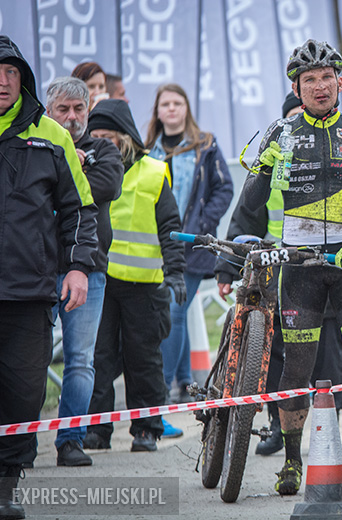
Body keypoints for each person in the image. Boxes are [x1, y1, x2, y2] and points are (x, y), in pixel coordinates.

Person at [222, 39, 342, 496]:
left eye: (326, 77)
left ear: (340, 81)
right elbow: (250, 205)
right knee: (296, 369)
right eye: (309, 79)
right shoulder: (280, 133)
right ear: (296, 89)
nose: (319, 86)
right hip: (299, 268)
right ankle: (292, 463)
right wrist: (263, 168)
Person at [0, 36, 98, 520]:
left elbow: (79, 210)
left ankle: (6, 485)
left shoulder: (51, 135)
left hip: (29, 291)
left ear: (23, 78)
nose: (2, 81)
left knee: (23, 392)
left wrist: (77, 267)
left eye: (10, 72)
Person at [83, 99, 186, 453]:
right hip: (101, 281)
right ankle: (96, 429)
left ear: (125, 137)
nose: (100, 143)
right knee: (99, 358)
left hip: (145, 286)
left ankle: (146, 429)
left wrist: (175, 272)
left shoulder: (154, 172)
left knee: (143, 360)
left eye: (108, 137)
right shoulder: (85, 169)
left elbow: (170, 227)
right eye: (95, 136)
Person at [46, 76, 124, 467]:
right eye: (63, 109)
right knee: (28, 358)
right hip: (38, 268)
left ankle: (70, 441)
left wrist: (65, 172)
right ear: (49, 112)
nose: (72, 117)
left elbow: (104, 187)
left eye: (79, 109)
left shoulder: (104, 150)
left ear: (89, 111)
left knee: (80, 359)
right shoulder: (34, 149)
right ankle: (18, 443)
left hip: (89, 267)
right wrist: (64, 162)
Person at [145, 84, 233, 418]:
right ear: (157, 111)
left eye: (177, 103)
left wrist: (203, 224)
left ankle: (161, 390)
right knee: (172, 310)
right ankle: (184, 380)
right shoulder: (147, 149)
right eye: (165, 103)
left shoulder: (205, 144)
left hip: (193, 245)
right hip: (156, 245)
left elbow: (225, 188)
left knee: (173, 311)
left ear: (186, 108)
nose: (171, 108)